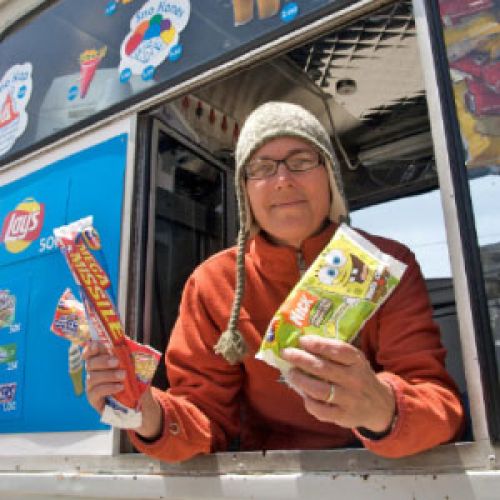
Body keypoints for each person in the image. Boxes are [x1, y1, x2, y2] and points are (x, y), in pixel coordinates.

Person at [83, 101, 465, 462]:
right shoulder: (212, 283)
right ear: (245, 192)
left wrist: (383, 407)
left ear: (330, 176)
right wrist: (145, 411)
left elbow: (440, 406)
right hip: (271, 473)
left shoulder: (384, 264)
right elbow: (204, 421)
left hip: (386, 467)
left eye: (301, 161)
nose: (282, 180)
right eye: (261, 167)